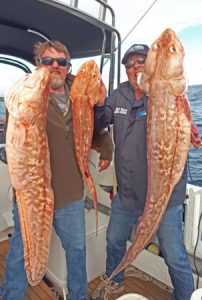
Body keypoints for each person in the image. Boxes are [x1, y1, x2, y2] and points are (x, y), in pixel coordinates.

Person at [0, 40, 112, 300]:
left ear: (68, 66)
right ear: (38, 65)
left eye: (61, 62)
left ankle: (77, 297)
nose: (55, 66)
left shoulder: (80, 89)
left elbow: (97, 127)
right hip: (31, 195)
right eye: (47, 61)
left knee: (77, 251)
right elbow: (16, 128)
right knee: (20, 250)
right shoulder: (27, 93)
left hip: (70, 192)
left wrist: (101, 106)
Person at [90, 44, 196, 300]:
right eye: (130, 63)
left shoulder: (164, 92)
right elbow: (99, 126)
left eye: (142, 61)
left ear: (151, 65)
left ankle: (185, 296)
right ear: (125, 70)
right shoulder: (119, 95)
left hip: (165, 199)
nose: (136, 66)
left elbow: (185, 126)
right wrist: (99, 104)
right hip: (128, 194)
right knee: (114, 240)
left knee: (174, 255)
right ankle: (115, 279)